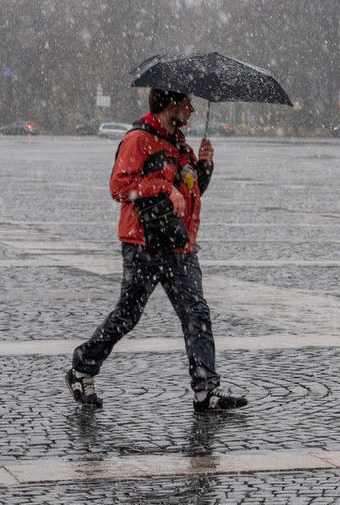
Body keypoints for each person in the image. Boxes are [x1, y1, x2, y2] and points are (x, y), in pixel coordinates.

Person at [66, 88, 246, 413]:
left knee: (197, 314)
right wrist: (162, 186)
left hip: (180, 245)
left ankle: (206, 390)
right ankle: (82, 368)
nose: (192, 109)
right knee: (128, 315)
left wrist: (204, 166)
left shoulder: (180, 144)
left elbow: (192, 191)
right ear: (170, 104)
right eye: (187, 103)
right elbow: (119, 187)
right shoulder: (138, 138)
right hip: (143, 243)